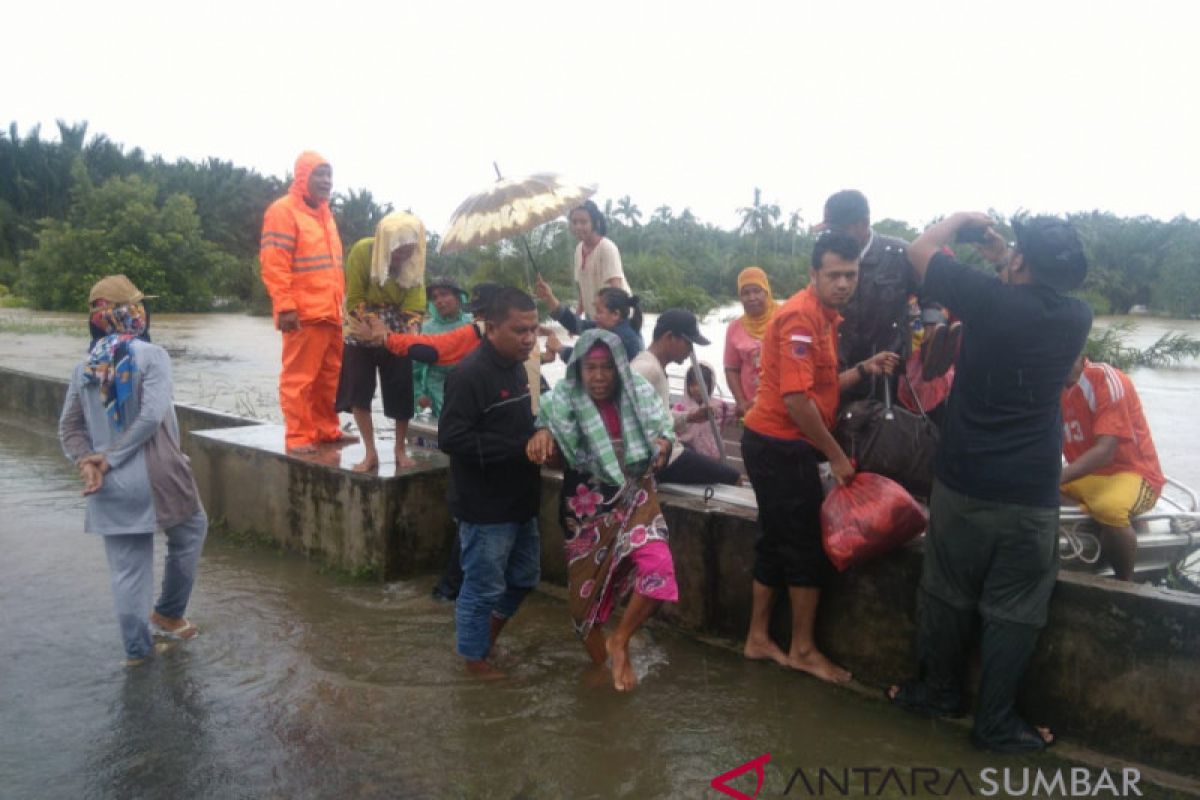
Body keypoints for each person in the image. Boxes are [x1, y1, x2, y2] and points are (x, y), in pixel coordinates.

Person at [886, 213, 1092, 753]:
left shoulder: (985, 299)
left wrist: (959, 221)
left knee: (946, 590)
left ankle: (937, 692)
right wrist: (1008, 258)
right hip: (1030, 489)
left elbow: (918, 249)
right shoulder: (1077, 316)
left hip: (963, 477)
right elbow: (1031, 292)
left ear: (1021, 260)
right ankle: (996, 721)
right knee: (1016, 609)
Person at [740, 233, 898, 683]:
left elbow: (818, 387)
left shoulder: (824, 317)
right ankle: (804, 649)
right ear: (814, 275)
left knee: (773, 540)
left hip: (774, 443)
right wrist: (837, 458)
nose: (844, 283)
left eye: (851, 274)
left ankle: (757, 638)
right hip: (780, 446)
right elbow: (796, 401)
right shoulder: (800, 319)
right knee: (806, 546)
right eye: (835, 275)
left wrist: (864, 370)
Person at [58, 275, 208, 666]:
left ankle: (138, 653)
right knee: (191, 529)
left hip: (106, 486)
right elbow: (150, 418)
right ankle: (169, 613)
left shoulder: (84, 368)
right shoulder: (151, 355)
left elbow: (68, 429)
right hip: (157, 476)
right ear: (134, 312)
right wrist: (110, 456)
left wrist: (88, 462)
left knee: (128, 573)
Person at [528, 329, 677, 691]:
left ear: (620, 369)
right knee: (583, 613)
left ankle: (620, 640)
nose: (598, 377)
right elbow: (544, 429)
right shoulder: (560, 402)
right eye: (590, 368)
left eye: (607, 367)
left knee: (659, 572)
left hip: (635, 498)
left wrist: (662, 444)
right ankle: (606, 669)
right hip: (586, 512)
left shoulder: (640, 395)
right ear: (578, 370)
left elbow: (665, 435)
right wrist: (543, 434)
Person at [436, 287, 543, 678]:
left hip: (520, 500)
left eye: (533, 329)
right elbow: (450, 438)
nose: (529, 338)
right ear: (492, 327)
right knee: (481, 588)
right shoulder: (469, 374)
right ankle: (473, 661)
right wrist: (520, 446)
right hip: (484, 506)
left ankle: (485, 642)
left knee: (524, 578)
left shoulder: (518, 365)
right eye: (520, 330)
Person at [259, 150, 353, 454]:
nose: (326, 181)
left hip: (331, 312)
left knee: (329, 379)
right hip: (303, 313)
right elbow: (274, 262)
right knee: (299, 379)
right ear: (302, 177)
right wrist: (284, 306)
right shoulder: (283, 211)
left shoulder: (326, 215)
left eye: (329, 175)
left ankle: (326, 430)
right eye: (319, 174)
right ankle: (299, 437)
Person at [1060, 353, 1164, 581]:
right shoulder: (1048, 386)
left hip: (1132, 472)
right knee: (1023, 490)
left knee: (1109, 507)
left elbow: (1105, 451)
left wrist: (1055, 478)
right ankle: (1095, 520)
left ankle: (1125, 584)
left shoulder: (1104, 378)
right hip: (1085, 477)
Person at [336, 212, 427, 471]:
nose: (402, 257)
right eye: (398, 251)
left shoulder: (414, 260)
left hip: (397, 322)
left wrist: (412, 331)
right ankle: (370, 452)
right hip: (361, 321)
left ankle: (399, 449)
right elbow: (354, 295)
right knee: (358, 390)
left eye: (408, 251)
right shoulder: (363, 252)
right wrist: (374, 327)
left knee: (400, 387)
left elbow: (415, 300)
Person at [820, 190, 928, 403]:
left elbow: (931, 293)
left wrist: (933, 327)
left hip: (886, 371)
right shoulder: (826, 255)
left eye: (840, 229)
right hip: (838, 367)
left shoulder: (899, 254)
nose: (834, 236)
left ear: (863, 223)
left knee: (881, 431)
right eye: (831, 229)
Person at [631, 310, 741, 486]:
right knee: (733, 478)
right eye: (688, 343)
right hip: (665, 458)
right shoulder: (646, 370)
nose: (691, 350)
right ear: (670, 337)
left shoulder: (653, 366)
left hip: (668, 452)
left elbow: (659, 418)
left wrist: (690, 417)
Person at [534, 274, 644, 361]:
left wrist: (559, 348)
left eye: (599, 312)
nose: (595, 317)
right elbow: (576, 324)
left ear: (615, 314)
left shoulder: (620, 339)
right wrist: (549, 297)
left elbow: (589, 363)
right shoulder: (610, 328)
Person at [413, 275, 473, 417]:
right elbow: (415, 369)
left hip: (471, 386)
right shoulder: (428, 330)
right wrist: (419, 395)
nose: (439, 301)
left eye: (445, 295)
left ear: (458, 297)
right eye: (435, 297)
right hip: (439, 388)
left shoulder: (473, 323)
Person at [724, 266, 779, 416]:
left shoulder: (784, 318)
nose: (752, 297)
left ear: (766, 291)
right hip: (751, 407)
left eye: (757, 291)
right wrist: (741, 401)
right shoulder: (734, 328)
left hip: (783, 404)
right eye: (745, 293)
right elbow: (731, 368)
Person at [570, 200, 630, 318]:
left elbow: (616, 290)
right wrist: (577, 316)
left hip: (616, 317)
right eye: (574, 222)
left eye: (583, 222)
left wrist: (612, 323)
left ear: (594, 223)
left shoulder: (607, 248)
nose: (578, 226)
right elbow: (583, 288)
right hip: (595, 317)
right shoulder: (578, 249)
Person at [674, 363, 738, 461]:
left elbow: (737, 412)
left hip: (713, 457)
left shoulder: (720, 406)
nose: (696, 389)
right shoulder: (680, 408)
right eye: (692, 384)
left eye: (701, 384)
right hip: (688, 456)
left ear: (710, 384)